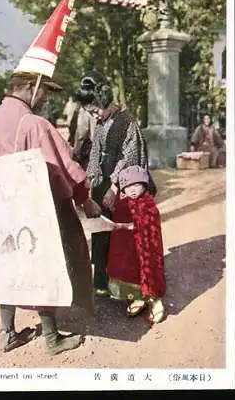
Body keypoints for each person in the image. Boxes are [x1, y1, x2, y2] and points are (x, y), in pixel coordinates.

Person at [0, 71, 101, 355]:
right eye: (44, 90)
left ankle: (7, 332)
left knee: (9, 262)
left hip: (1, 205)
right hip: (35, 204)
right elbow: (62, 167)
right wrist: (85, 200)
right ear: (31, 88)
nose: (46, 97)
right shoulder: (33, 123)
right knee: (45, 261)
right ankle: (52, 337)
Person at [78, 73, 157, 296]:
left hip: (122, 182)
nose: (94, 115)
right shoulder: (102, 122)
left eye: (95, 111)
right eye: (90, 113)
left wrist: (114, 187)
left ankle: (121, 283)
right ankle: (101, 279)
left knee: (120, 232)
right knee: (101, 228)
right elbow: (95, 150)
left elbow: (130, 157)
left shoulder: (126, 121)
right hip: (102, 179)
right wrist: (90, 177)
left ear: (106, 102)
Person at [106, 165, 166, 324]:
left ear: (144, 185)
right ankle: (139, 297)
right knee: (133, 272)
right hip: (132, 247)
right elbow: (119, 217)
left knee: (149, 272)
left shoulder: (148, 203)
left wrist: (129, 226)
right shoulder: (125, 202)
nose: (133, 190)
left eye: (137, 185)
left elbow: (148, 223)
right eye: (128, 186)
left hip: (147, 248)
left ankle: (155, 302)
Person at [69, 88, 97, 170]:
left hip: (89, 149)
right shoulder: (97, 110)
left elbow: (81, 134)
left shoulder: (84, 111)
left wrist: (76, 151)